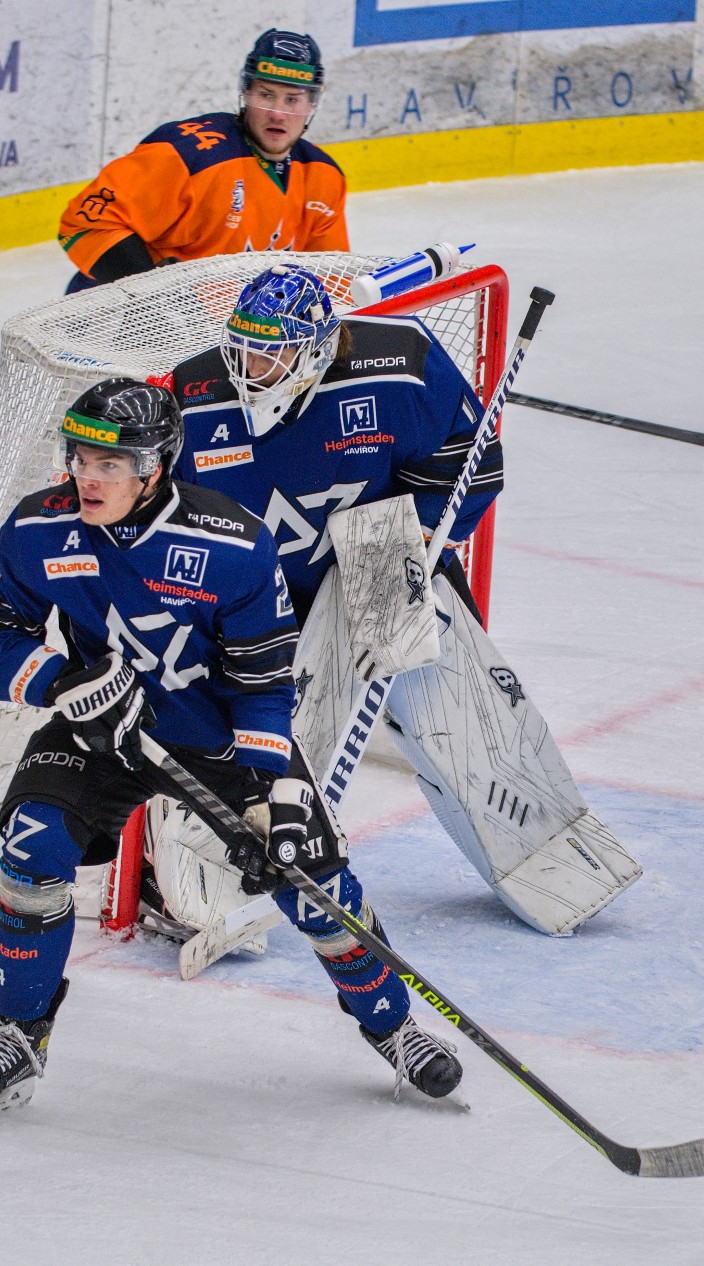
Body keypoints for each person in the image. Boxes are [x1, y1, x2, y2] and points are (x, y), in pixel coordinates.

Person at [0, 377, 461, 1124]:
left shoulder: (231, 545)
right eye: (81, 458)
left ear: (155, 468)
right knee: (33, 846)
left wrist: (272, 793)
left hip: (219, 740)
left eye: (110, 464)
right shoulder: (38, 529)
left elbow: (263, 682)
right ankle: (21, 1034)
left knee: (312, 879)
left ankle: (394, 1027)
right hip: (101, 734)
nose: (88, 477)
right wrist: (61, 680)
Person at [156, 264, 641, 939]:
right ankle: (210, 878)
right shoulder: (193, 400)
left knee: (457, 703)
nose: (251, 369)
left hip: (379, 560)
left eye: (272, 353)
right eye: (243, 349)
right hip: (255, 598)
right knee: (258, 735)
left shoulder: (400, 367)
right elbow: (161, 526)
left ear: (317, 350)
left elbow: (471, 463)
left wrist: (415, 538)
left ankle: (547, 852)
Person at [56, 29, 347, 294]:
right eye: (266, 95)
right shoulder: (187, 155)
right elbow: (85, 226)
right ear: (246, 93)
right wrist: (153, 296)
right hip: (113, 316)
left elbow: (333, 282)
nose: (278, 114)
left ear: (312, 104)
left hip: (229, 327)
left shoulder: (323, 176)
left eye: (292, 100)